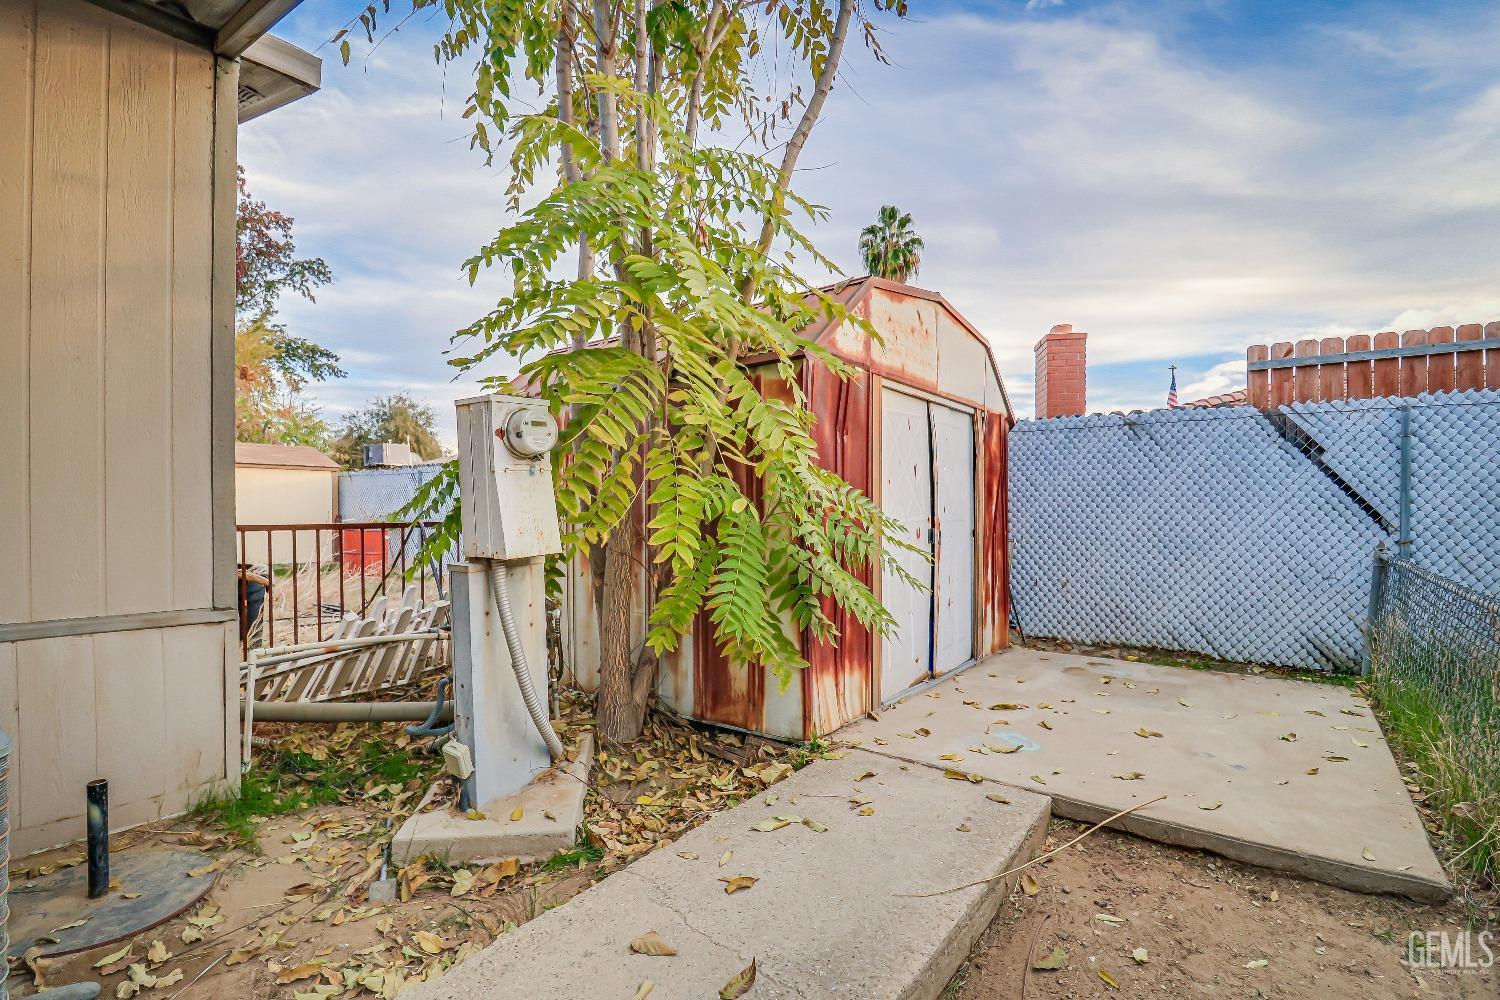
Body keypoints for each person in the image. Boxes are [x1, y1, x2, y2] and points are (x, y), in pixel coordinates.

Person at [238, 564, 270, 646]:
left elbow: (271, 582)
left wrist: (253, 577)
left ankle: (253, 648)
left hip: (254, 574)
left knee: (253, 627)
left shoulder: (258, 565)